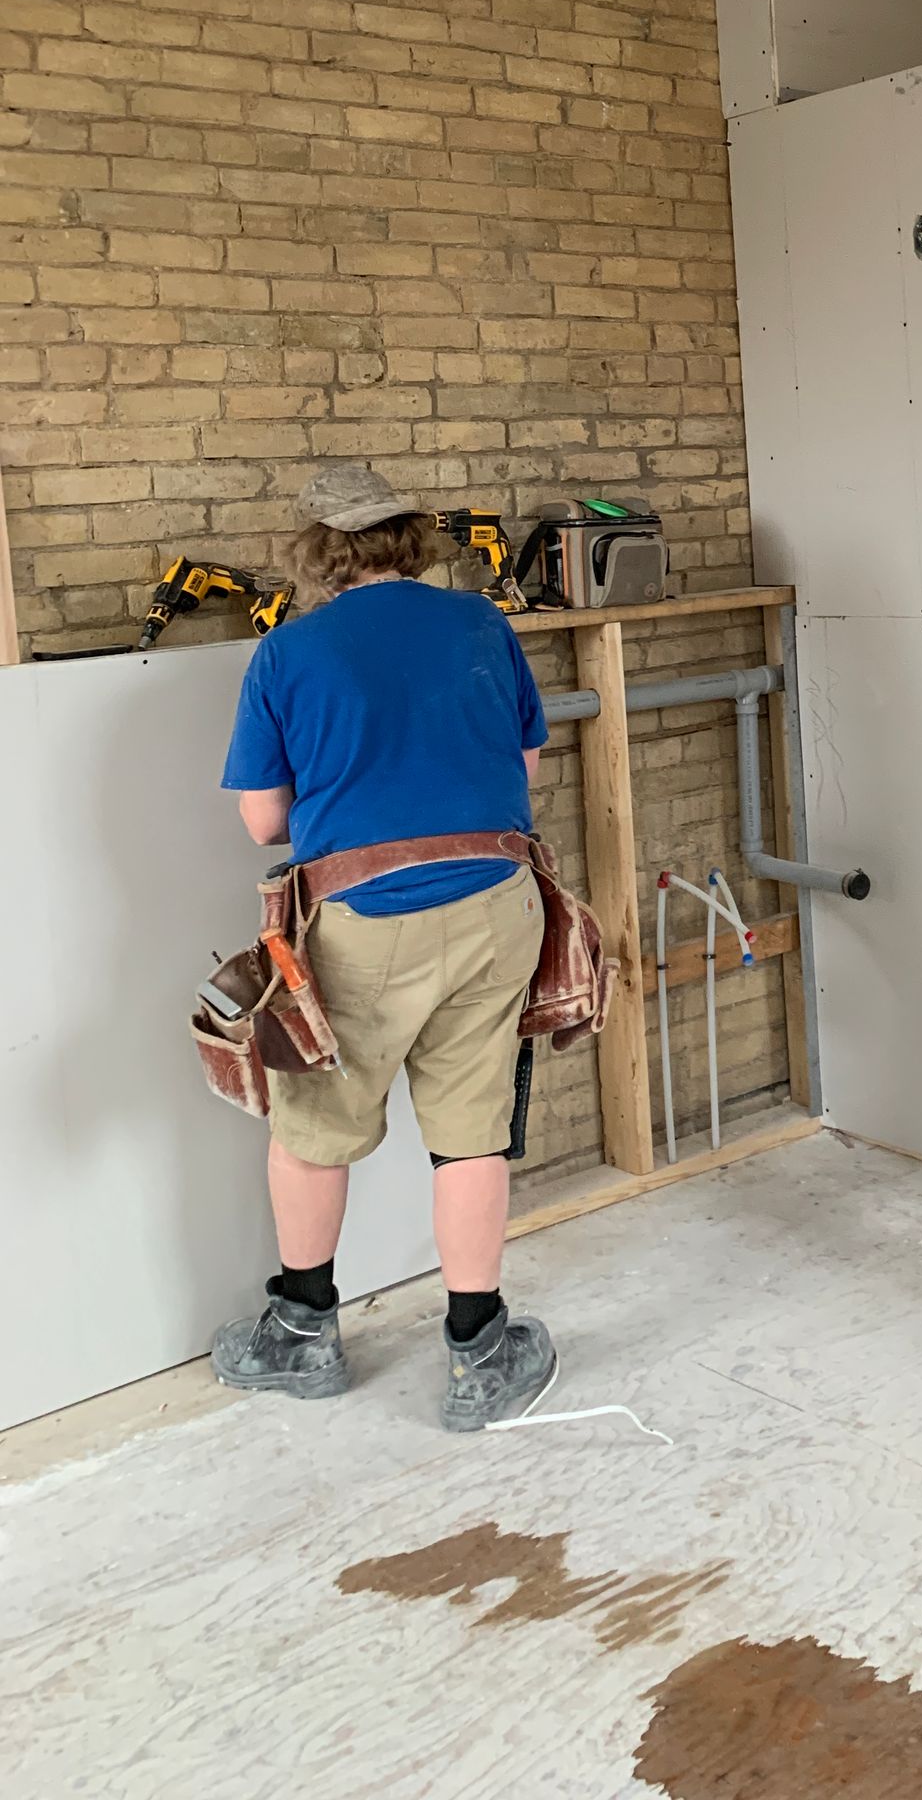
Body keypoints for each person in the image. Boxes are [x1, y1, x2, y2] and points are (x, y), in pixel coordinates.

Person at [211, 462, 557, 1431]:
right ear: (409, 537)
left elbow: (262, 820)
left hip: (361, 920)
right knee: (471, 1130)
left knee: (315, 1122)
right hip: (496, 899)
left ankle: (302, 1332)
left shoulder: (289, 652)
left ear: (321, 550)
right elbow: (523, 764)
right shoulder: (483, 624)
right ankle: (480, 1353)